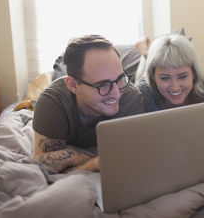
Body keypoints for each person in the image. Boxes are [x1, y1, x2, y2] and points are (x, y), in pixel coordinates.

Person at [33, 35, 144, 173]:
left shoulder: (130, 97)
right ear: (73, 85)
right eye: (103, 85)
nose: (116, 93)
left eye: (120, 78)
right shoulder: (52, 102)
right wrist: (87, 161)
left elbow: (134, 157)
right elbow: (40, 164)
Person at [136, 33, 204, 112]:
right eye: (165, 78)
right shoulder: (142, 94)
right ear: (153, 77)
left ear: (194, 74)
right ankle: (144, 54)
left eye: (182, 77)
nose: (175, 87)